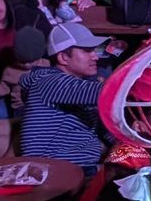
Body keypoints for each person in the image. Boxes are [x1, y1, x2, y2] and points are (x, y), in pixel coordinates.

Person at [17, 21, 109, 172]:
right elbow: (106, 93)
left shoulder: (76, 87)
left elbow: (101, 124)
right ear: (63, 58)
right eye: (87, 51)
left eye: (94, 50)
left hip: (76, 166)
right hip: (54, 171)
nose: (95, 57)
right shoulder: (49, 82)